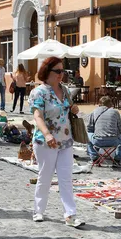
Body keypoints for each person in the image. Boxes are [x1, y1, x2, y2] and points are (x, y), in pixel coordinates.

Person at [28, 57, 85, 227]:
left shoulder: (65, 90)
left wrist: (74, 109)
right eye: (58, 71)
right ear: (47, 72)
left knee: (66, 178)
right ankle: (38, 210)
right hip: (46, 142)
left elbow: (70, 109)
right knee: (45, 177)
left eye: (63, 71)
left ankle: (70, 214)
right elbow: (37, 115)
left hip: (65, 141)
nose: (62, 74)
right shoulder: (39, 92)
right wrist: (47, 134)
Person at [87, 96, 121, 166]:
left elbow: (90, 128)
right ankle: (117, 159)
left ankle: (94, 158)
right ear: (110, 104)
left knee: (87, 135)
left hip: (98, 141)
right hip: (113, 142)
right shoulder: (115, 112)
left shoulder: (94, 111)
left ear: (99, 104)